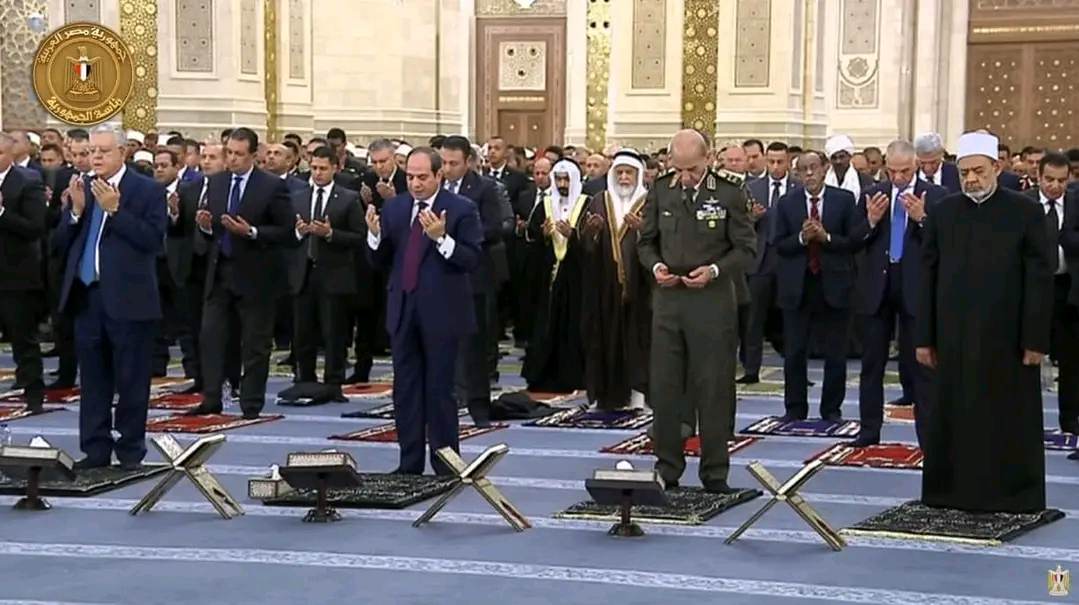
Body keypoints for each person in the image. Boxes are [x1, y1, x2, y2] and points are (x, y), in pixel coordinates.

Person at [916, 131, 1053, 513]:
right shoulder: (944, 212)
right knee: (954, 416)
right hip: (954, 338)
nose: (972, 179)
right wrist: (924, 338)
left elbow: (1039, 280)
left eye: (978, 171)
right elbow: (926, 276)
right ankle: (950, 494)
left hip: (1008, 339)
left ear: (997, 167)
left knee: (1007, 419)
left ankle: (1012, 496)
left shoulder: (1025, 211)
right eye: (964, 173)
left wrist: (1035, 340)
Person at [637, 129, 756, 492]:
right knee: (665, 387)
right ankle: (668, 468)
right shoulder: (661, 190)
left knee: (714, 388)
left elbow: (746, 249)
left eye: (692, 169)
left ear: (708, 159)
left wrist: (715, 270)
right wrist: (656, 266)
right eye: (679, 168)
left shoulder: (729, 192)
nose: (685, 176)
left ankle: (715, 473)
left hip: (712, 302)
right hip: (669, 301)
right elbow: (646, 242)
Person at [53, 125, 167, 469]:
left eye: (103, 151)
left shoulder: (147, 190)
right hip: (87, 297)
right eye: (92, 151)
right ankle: (95, 449)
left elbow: (152, 241)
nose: (96, 157)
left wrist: (115, 210)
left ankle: (130, 450)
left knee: (131, 379)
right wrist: (75, 212)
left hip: (129, 300)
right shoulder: (81, 186)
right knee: (93, 380)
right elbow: (59, 245)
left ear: (123, 152)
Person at [366, 147, 482, 475]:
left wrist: (442, 239)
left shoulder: (461, 209)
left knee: (440, 391)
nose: (415, 184)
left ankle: (446, 465)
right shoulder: (395, 207)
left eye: (422, 177)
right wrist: (374, 237)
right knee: (405, 392)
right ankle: (409, 465)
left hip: (443, 313)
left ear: (438, 176)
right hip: (403, 310)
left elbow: (472, 259)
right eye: (410, 177)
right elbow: (380, 261)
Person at [188, 127, 298, 419]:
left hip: (256, 277)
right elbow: (213, 230)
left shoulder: (271, 186)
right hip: (219, 274)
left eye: (238, 154)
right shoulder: (216, 182)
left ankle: (251, 403)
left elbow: (287, 231)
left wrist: (251, 232)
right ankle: (212, 398)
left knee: (254, 345)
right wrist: (206, 227)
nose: (232, 159)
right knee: (211, 338)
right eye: (229, 153)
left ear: (252, 155)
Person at [851, 140, 947, 448]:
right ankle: (868, 432)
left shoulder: (936, 196)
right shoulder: (872, 194)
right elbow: (852, 240)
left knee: (921, 368)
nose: (898, 177)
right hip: (877, 290)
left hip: (916, 291)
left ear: (916, 165)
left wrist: (923, 219)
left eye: (904, 171)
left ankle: (929, 438)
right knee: (871, 366)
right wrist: (870, 221)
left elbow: (946, 243)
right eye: (892, 171)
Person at [773, 151, 864, 422]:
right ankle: (795, 409)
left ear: (824, 169)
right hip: (797, 287)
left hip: (835, 285)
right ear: (797, 174)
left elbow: (853, 242)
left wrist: (827, 237)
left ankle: (831, 410)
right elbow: (779, 244)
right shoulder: (787, 203)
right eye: (804, 169)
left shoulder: (844, 200)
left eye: (814, 167)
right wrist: (802, 238)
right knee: (794, 352)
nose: (809, 173)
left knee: (836, 353)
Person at [286, 146, 366, 399]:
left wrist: (330, 234)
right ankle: (305, 380)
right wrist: (299, 232)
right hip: (303, 274)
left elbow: (359, 237)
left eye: (323, 168)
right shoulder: (297, 196)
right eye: (314, 168)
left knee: (333, 333)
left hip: (334, 275)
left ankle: (333, 382)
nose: (318, 173)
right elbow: (286, 235)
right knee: (302, 332)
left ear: (335, 168)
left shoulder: (348, 198)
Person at [580, 150, 652, 410]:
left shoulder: (649, 202)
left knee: (639, 340)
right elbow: (586, 244)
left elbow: (663, 239)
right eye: (619, 173)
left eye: (628, 173)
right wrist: (591, 232)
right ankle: (608, 395)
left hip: (641, 285)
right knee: (605, 340)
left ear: (638, 175)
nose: (623, 178)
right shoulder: (599, 202)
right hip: (605, 285)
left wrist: (643, 229)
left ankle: (640, 394)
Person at [440, 136, 503, 426]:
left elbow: (494, 228)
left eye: (453, 163)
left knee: (473, 341)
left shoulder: (484, 188)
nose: (447, 168)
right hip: (441, 273)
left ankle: (475, 399)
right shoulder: (435, 186)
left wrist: (454, 234)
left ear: (468, 162)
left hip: (473, 273)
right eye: (444, 162)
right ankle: (449, 392)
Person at [522, 159, 589, 393]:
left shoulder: (587, 204)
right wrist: (542, 236)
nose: (562, 185)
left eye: (566, 180)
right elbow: (530, 239)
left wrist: (574, 235)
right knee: (546, 325)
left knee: (572, 326)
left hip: (576, 279)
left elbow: (594, 243)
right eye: (558, 179)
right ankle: (543, 375)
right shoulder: (545, 205)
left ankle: (574, 376)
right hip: (548, 278)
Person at [1025, 152, 1078, 435]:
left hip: (1068, 292)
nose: (1055, 186)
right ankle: (1026, 423)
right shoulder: (1023, 204)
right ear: (1038, 176)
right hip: (1031, 293)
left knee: (1071, 362)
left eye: (1061, 180)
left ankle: (1070, 423)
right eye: (1049, 179)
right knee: (1027, 359)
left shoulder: (1076, 203)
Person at [0, 132, 47, 413]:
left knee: (23, 339)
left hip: (15, 275)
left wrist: (2, 214)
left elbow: (35, 227)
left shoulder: (27, 182)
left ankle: (33, 394)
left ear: (10, 155)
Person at [739, 141, 794, 383]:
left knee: (791, 319)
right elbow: (739, 225)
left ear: (788, 162)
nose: (775, 166)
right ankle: (751, 370)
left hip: (789, 260)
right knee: (753, 319)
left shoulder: (798, 188)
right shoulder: (751, 188)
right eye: (771, 161)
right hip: (759, 261)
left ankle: (796, 369)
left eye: (780, 162)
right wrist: (751, 218)